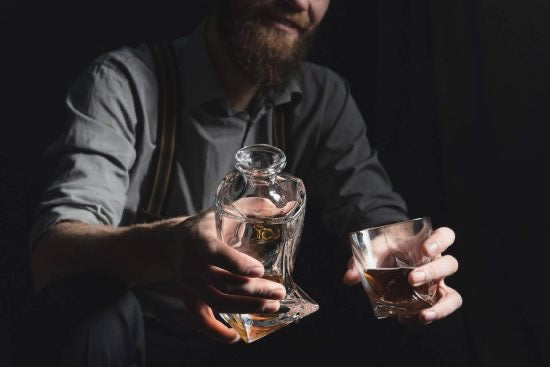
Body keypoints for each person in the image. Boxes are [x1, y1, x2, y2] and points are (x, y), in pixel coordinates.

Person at [26, 0, 462, 365]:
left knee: (415, 330)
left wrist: (407, 259)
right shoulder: (123, 83)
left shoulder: (323, 98)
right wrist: (172, 244)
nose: (298, 2)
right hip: (137, 337)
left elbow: (371, 208)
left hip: (261, 341)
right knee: (93, 316)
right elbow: (52, 253)